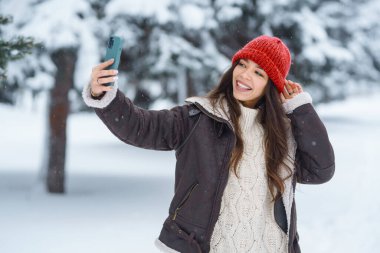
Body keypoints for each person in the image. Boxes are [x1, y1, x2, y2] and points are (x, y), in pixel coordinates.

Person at [82, 35, 335, 253]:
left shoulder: (283, 135)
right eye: (242, 64)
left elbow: (321, 169)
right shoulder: (198, 118)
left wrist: (301, 109)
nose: (245, 75)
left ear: (271, 85)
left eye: (259, 72)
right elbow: (141, 127)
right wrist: (103, 94)